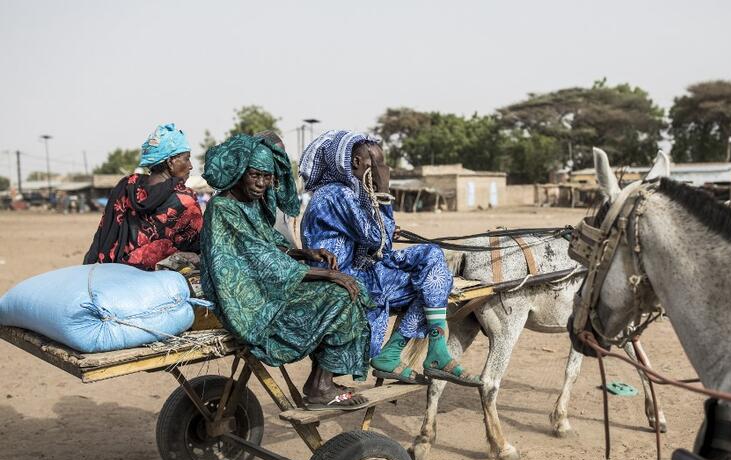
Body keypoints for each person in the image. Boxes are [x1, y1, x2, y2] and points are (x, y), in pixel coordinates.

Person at [200, 133, 373, 409]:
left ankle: (322, 380)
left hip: (265, 287)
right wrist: (329, 274)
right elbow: (261, 259)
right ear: (239, 173)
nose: (261, 184)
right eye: (255, 175)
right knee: (341, 295)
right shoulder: (223, 208)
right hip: (248, 302)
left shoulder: (249, 205)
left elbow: (267, 245)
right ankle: (320, 387)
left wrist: (304, 253)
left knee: (351, 290)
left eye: (267, 177)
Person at [300, 130, 481, 387]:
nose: (382, 170)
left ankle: (403, 352)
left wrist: (381, 224)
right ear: (356, 162)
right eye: (377, 163)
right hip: (343, 278)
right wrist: (384, 191)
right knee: (432, 270)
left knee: (433, 278)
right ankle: (423, 353)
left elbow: (377, 241)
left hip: (359, 270)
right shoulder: (337, 195)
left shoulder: (344, 194)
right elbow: (378, 241)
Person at [84, 123, 203, 270]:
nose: (190, 166)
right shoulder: (185, 199)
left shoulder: (127, 185)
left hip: (117, 269)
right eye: (186, 158)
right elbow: (196, 244)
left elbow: (105, 230)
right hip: (157, 276)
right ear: (170, 162)